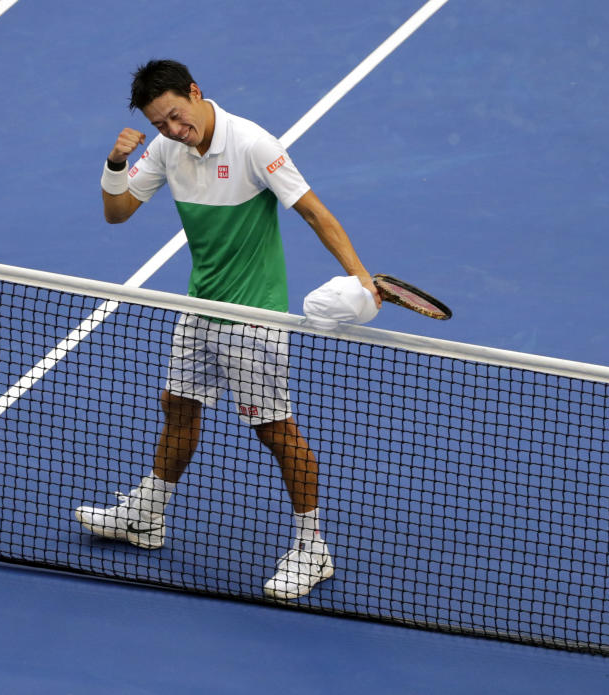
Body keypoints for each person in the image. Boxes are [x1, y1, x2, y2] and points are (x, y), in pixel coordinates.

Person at [75, 59, 379, 600]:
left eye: (174, 115)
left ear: (195, 92)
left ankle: (313, 549)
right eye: (160, 123)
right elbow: (117, 212)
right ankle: (148, 515)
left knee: (274, 430)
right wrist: (115, 162)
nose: (171, 129)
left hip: (252, 318)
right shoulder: (168, 149)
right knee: (178, 407)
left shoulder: (253, 145)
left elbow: (315, 213)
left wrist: (359, 278)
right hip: (200, 308)